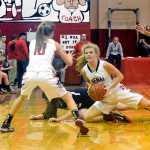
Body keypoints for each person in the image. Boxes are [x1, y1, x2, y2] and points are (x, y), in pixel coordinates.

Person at [0, 22, 88, 135]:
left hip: (30, 74)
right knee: (68, 97)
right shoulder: (54, 43)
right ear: (51, 33)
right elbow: (69, 63)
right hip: (46, 75)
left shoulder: (32, 42)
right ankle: (77, 120)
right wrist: (70, 55)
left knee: (21, 98)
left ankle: (6, 123)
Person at [74, 42, 150, 122]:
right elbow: (89, 83)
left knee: (147, 104)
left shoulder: (104, 65)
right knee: (87, 118)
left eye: (91, 52)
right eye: (86, 53)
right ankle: (112, 115)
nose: (88, 54)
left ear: (96, 54)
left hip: (117, 91)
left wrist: (108, 87)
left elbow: (120, 76)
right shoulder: (84, 70)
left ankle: (118, 108)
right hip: (105, 99)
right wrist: (90, 90)